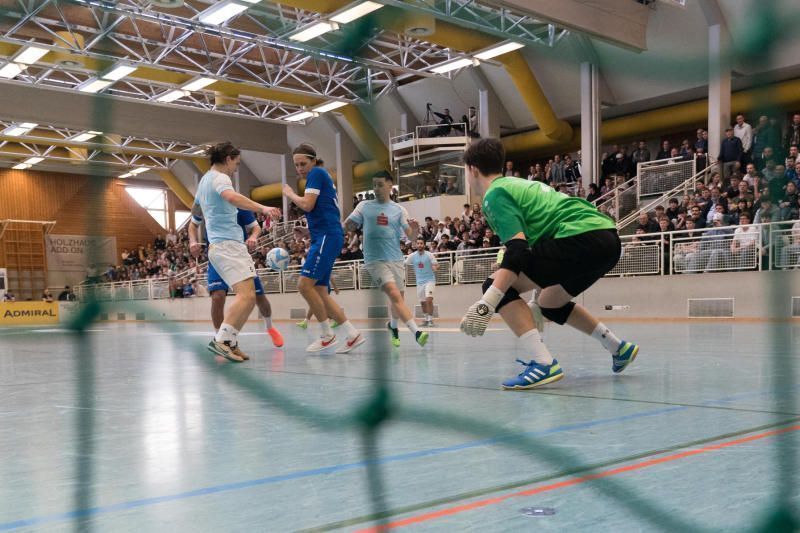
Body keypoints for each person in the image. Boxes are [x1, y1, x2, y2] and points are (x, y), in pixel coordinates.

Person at [459, 138, 639, 389]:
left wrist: (487, 302)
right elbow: (538, 248)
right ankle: (617, 347)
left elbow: (518, 251)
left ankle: (543, 363)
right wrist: (532, 299)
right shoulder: (519, 184)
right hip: (606, 239)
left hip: (580, 237)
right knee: (550, 304)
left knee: (496, 287)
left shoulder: (494, 194)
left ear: (472, 169)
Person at [195, 141, 281, 363]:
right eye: (236, 163)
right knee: (247, 296)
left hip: (222, 245)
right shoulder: (221, 178)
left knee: (250, 297)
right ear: (227, 159)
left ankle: (231, 342)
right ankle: (222, 340)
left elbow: (196, 213)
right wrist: (264, 208)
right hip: (228, 245)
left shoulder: (204, 181)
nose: (236, 168)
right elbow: (232, 198)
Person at [283, 142, 365, 353]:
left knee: (303, 285)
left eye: (303, 164)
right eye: (296, 165)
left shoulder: (317, 173)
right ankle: (352, 334)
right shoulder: (319, 175)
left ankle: (327, 335)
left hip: (328, 236)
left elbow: (308, 205)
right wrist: (308, 232)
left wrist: (290, 194)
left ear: (313, 160)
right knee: (320, 289)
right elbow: (322, 210)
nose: (300, 168)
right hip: (325, 235)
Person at [345, 171, 429, 348]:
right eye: (374, 185)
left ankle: (393, 326)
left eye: (380, 184)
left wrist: (415, 230)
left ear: (390, 185)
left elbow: (411, 238)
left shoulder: (399, 210)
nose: (376, 188)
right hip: (374, 259)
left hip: (396, 259)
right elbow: (347, 226)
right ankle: (417, 332)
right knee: (393, 293)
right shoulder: (364, 206)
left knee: (398, 300)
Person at [188, 206, 284, 354]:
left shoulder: (238, 204)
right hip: (217, 256)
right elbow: (193, 224)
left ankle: (270, 327)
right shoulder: (206, 201)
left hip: (239, 256)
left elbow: (256, 228)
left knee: (259, 298)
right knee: (217, 297)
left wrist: (252, 237)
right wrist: (193, 241)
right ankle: (221, 341)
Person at [406, 238, 439, 327]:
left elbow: (436, 264)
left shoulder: (429, 255)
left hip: (430, 280)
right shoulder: (412, 256)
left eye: (421, 243)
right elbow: (404, 263)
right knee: (422, 302)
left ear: (424, 245)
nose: (420, 245)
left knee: (429, 299)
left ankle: (431, 319)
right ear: (416, 245)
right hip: (419, 282)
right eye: (418, 243)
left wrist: (435, 267)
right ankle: (426, 319)